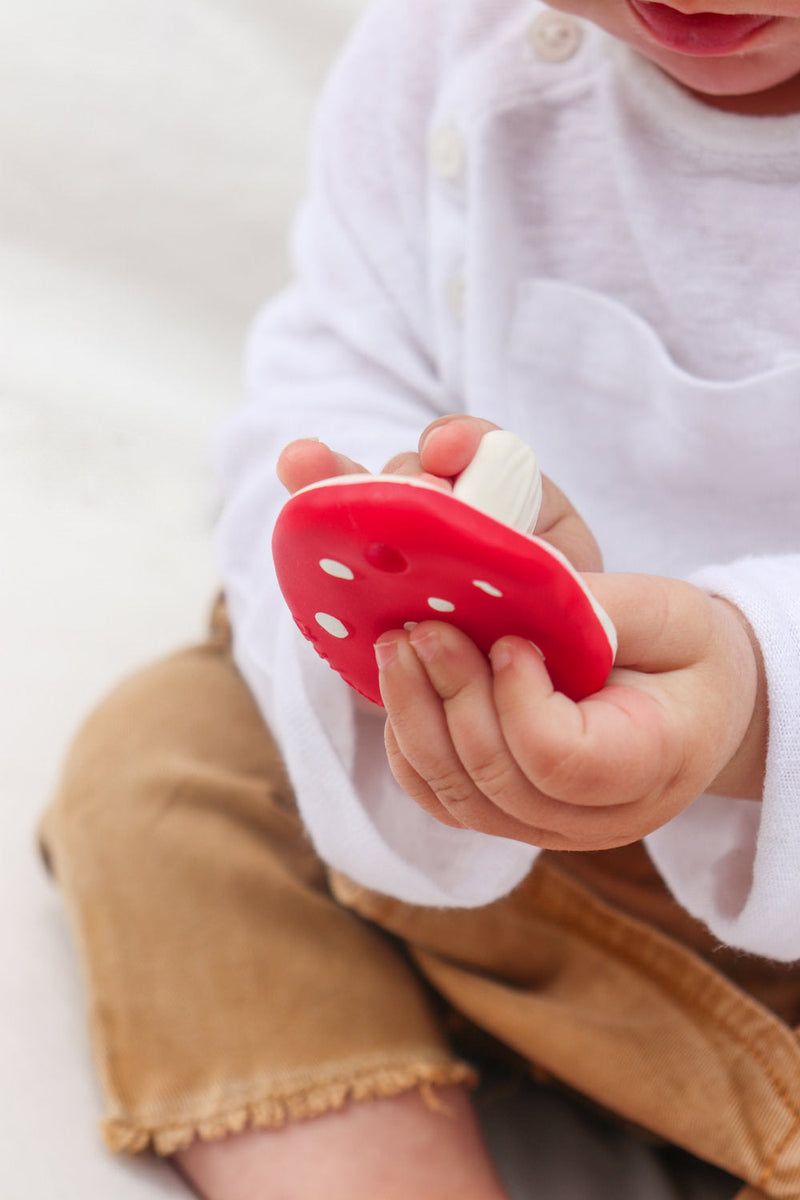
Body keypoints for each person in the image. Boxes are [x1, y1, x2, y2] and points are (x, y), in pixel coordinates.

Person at [40, 0, 800, 1197]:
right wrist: (391, 545)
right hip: (463, 805)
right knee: (166, 763)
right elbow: (334, 361)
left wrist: (750, 701)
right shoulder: (447, 49)